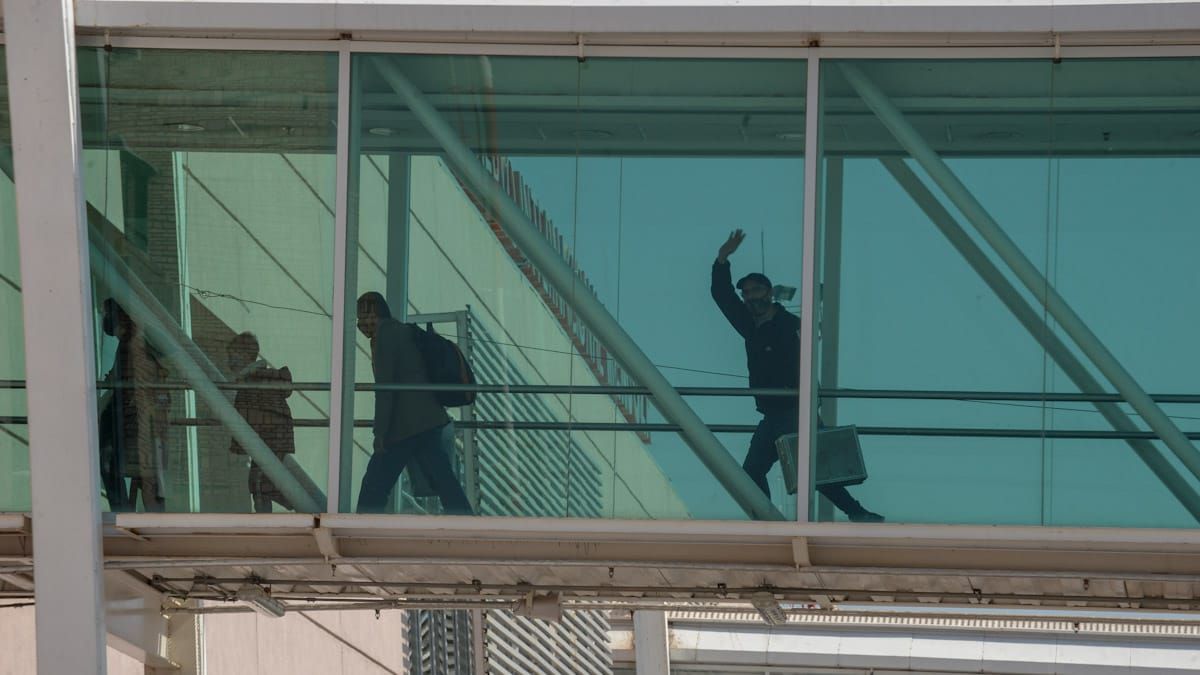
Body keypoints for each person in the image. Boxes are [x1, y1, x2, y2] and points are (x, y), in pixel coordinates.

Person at [711, 230, 882, 522]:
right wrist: (722, 259)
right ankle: (770, 522)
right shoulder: (751, 326)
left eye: (754, 291)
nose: (749, 297)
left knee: (810, 469)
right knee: (760, 471)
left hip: (794, 409)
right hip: (773, 413)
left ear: (768, 293)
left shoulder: (791, 326)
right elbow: (723, 296)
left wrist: (806, 403)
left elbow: (805, 365)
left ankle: (856, 512)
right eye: (746, 293)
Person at [354, 292, 472, 514]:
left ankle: (360, 527)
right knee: (443, 478)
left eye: (365, 315)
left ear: (378, 313)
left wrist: (379, 433)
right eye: (359, 318)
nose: (362, 323)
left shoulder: (385, 336)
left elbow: (385, 390)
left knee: (375, 483)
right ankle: (464, 518)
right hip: (427, 419)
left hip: (405, 425)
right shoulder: (400, 330)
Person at [97, 299, 170, 512]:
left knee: (144, 474)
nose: (104, 318)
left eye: (107, 313)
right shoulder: (127, 344)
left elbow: (148, 378)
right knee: (116, 466)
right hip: (129, 420)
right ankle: (125, 511)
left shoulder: (139, 341)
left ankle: (130, 512)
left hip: (137, 421)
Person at [227, 332, 296, 513]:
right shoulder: (255, 379)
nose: (230, 361)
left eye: (233, 356)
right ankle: (288, 505)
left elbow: (247, 415)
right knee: (262, 483)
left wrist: (239, 445)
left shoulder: (254, 380)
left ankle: (288, 506)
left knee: (259, 483)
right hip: (272, 439)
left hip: (270, 440)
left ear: (246, 355)